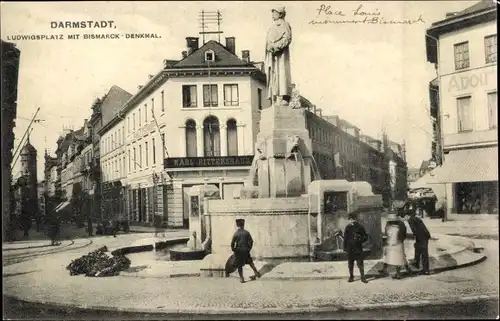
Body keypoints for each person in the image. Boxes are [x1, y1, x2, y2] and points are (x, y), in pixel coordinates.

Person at [265, 6, 292, 106]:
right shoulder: (273, 26)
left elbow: (287, 39)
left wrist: (275, 47)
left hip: (281, 56)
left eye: (274, 12)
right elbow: (268, 40)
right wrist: (269, 47)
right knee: (274, 76)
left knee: (282, 75)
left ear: (280, 14)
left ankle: (284, 97)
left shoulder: (284, 25)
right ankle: (277, 97)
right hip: (272, 56)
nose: (272, 15)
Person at [379, 213, 412, 279]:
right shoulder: (389, 225)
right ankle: (385, 269)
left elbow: (403, 234)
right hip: (391, 244)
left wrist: (400, 240)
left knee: (398, 258)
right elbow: (387, 234)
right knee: (390, 257)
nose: (390, 221)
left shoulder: (400, 225)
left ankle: (400, 272)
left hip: (397, 243)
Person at [230, 219, 261, 283]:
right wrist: (249, 248)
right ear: (243, 225)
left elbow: (232, 243)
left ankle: (241, 278)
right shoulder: (247, 232)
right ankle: (257, 273)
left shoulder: (236, 233)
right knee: (250, 262)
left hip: (238, 251)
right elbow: (251, 241)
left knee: (239, 265)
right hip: (246, 250)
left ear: (237, 225)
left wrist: (234, 249)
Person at [343, 212, 369, 283]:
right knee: (351, 264)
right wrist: (345, 248)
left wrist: (360, 239)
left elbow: (365, 237)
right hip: (351, 248)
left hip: (357, 248)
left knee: (359, 263)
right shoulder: (348, 227)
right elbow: (345, 238)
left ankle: (362, 277)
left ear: (355, 219)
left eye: (352, 219)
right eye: (350, 219)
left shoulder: (360, 227)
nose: (351, 220)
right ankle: (352, 276)